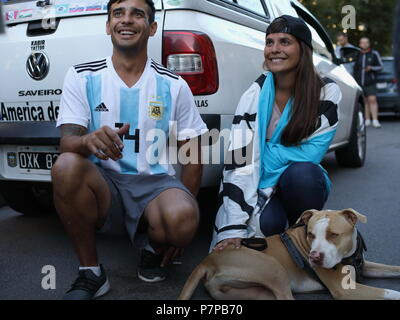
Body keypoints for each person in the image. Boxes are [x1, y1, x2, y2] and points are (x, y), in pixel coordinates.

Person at [52, 0, 208, 300]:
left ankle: (154, 248)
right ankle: (91, 272)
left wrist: (188, 214)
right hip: (105, 183)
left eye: (138, 14)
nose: (126, 20)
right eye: (118, 14)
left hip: (155, 185)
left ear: (151, 28)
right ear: (108, 25)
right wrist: (87, 141)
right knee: (66, 165)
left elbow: (195, 153)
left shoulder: (173, 85)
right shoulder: (82, 76)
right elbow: (67, 143)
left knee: (184, 219)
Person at [211, 15, 342, 260]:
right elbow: (240, 159)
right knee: (266, 228)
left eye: (284, 42)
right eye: (269, 42)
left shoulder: (326, 91)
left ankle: (305, 236)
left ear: (302, 49)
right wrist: (234, 225)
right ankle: (282, 240)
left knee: (304, 173)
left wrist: (261, 152)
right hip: (260, 185)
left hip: (298, 183)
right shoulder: (254, 94)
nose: (274, 50)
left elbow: (311, 153)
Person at [353, 37, 383, 128]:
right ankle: (367, 120)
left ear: (369, 44)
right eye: (362, 43)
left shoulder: (374, 54)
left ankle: (375, 120)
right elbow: (353, 67)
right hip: (359, 82)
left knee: (372, 100)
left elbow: (381, 66)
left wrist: (372, 68)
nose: (364, 44)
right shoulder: (357, 54)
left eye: (366, 42)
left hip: (370, 82)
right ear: (360, 44)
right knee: (364, 101)